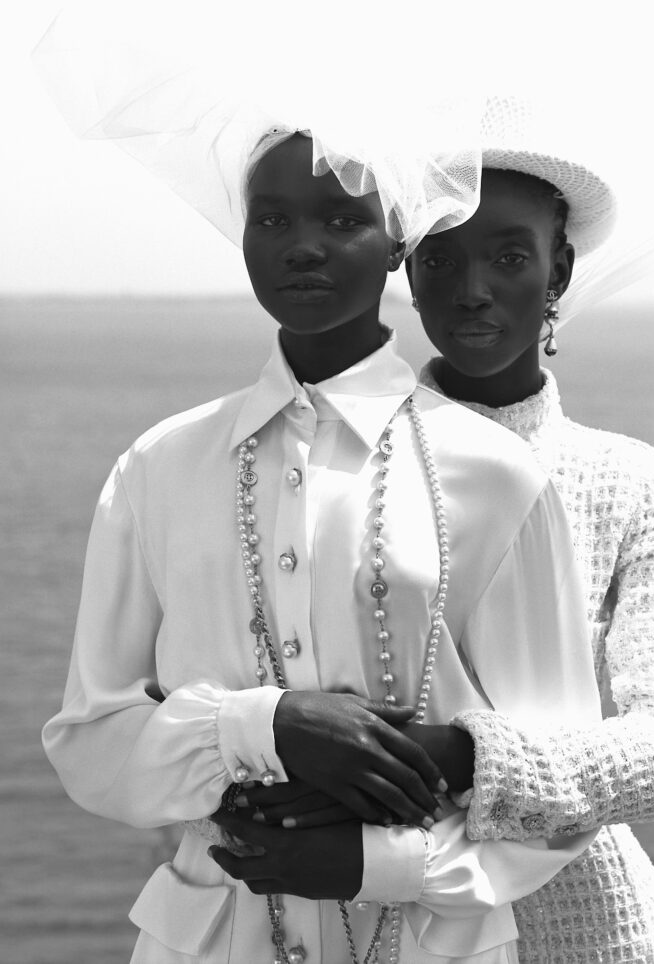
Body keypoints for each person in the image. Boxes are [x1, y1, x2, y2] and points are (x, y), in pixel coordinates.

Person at [42, 117, 606, 964]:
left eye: (343, 220)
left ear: (398, 243)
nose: (303, 246)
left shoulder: (495, 476)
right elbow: (90, 745)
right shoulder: (160, 467)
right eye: (272, 219)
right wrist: (267, 726)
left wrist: (379, 863)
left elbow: (562, 776)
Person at [404, 97, 654, 962]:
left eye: (510, 257)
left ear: (560, 270)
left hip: (593, 931)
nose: (472, 289)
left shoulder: (629, 480)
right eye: (440, 256)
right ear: (408, 271)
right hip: (383, 918)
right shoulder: (347, 462)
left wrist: (461, 761)